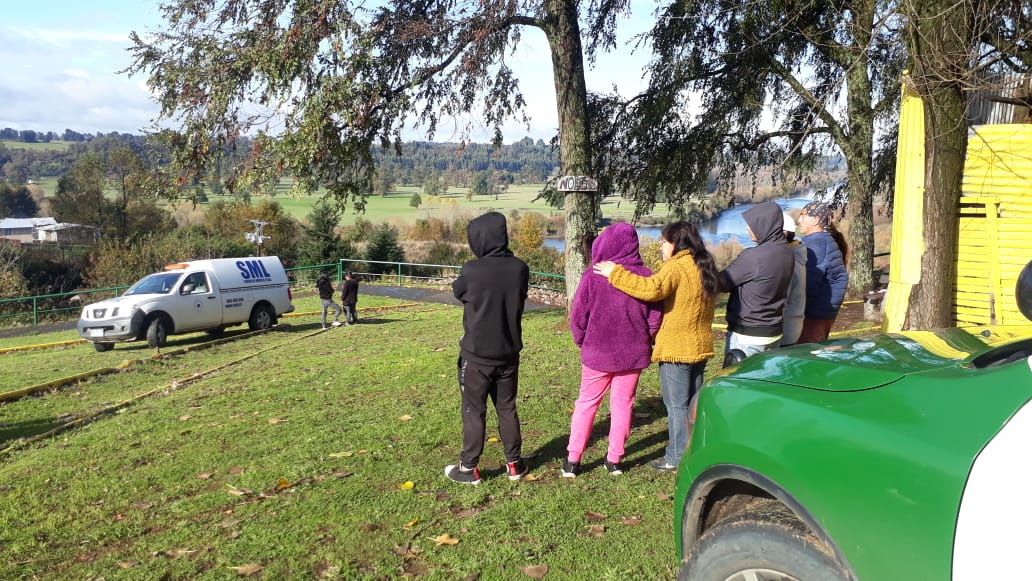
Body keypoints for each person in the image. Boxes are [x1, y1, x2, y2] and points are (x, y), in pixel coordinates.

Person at [593, 222, 720, 473]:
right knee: (694, 403)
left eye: (663, 242)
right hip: (700, 345)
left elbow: (652, 289)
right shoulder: (703, 264)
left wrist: (615, 274)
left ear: (676, 243)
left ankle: (676, 456)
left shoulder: (676, 266)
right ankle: (696, 449)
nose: (661, 246)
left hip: (677, 348)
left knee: (676, 406)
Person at [564, 223, 662, 478]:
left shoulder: (592, 275)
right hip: (633, 353)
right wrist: (644, 338)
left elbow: (578, 317)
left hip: (597, 352)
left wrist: (582, 341)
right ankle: (614, 460)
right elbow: (655, 318)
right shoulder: (646, 276)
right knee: (622, 405)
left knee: (587, 403)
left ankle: (572, 460)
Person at [445, 212, 530, 485]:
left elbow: (458, 292)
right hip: (508, 353)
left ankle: (468, 468)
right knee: (507, 407)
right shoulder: (520, 268)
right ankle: (514, 464)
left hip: (476, 356)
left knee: (473, 409)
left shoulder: (472, 271)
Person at [718, 200, 794, 364]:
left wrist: (702, 267)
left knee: (739, 383)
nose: (747, 228)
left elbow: (723, 283)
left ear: (765, 225)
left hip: (748, 335)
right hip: (773, 330)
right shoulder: (787, 252)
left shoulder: (754, 257)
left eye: (753, 224)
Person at [796, 201, 849, 343]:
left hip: (813, 315)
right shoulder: (822, 240)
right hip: (821, 312)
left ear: (816, 220)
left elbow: (809, 283)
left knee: (806, 357)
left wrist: (795, 310)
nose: (799, 220)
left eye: (803, 216)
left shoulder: (817, 244)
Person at [781, 211, 807, 347]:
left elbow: (780, 301)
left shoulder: (788, 263)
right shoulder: (795, 257)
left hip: (784, 332)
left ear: (784, 233)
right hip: (791, 327)